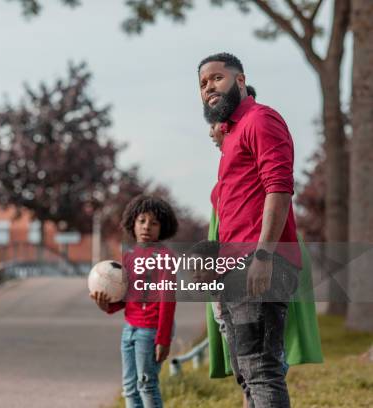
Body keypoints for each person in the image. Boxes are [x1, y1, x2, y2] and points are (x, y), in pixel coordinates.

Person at [198, 52, 301, 407]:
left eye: (216, 78)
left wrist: (263, 255)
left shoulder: (260, 119)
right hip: (233, 269)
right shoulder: (232, 138)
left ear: (240, 81)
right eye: (202, 83)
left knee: (261, 370)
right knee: (246, 373)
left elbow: (279, 187)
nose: (209, 87)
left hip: (258, 264)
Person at [91, 195, 178, 408]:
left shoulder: (166, 258)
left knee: (146, 385)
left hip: (150, 332)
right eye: (142, 221)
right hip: (129, 329)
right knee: (129, 387)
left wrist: (163, 339)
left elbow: (168, 302)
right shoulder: (129, 258)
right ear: (133, 223)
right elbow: (127, 298)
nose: (147, 226)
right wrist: (107, 306)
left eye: (154, 223)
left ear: (163, 227)